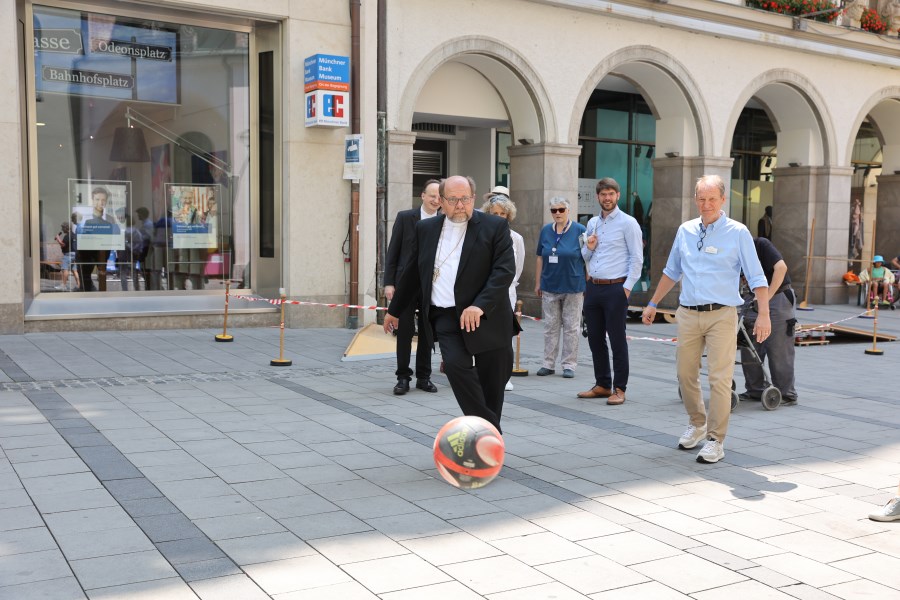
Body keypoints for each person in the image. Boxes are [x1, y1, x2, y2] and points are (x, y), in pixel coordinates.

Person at [642, 175, 770, 464]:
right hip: (687, 313)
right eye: (701, 198)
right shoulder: (685, 230)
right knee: (685, 375)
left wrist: (764, 314)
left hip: (722, 315)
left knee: (719, 379)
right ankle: (697, 423)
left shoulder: (738, 232)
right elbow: (671, 271)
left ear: (723, 200)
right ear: (695, 200)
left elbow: (757, 276)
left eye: (712, 198)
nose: (706, 204)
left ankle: (715, 439)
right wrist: (653, 303)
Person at [383, 175, 518, 433]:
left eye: (465, 199)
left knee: (494, 382)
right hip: (446, 315)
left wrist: (479, 305)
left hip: (489, 316)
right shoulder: (426, 230)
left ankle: (485, 439)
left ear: (473, 199)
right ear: (441, 201)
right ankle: (491, 433)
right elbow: (411, 273)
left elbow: (504, 271)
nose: (460, 205)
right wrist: (394, 310)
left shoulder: (494, 227)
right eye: (453, 199)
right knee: (456, 366)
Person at [577, 178, 643, 405]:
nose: (607, 198)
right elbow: (585, 256)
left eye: (611, 194)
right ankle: (603, 384)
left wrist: (626, 289)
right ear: (598, 197)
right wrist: (589, 247)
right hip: (593, 287)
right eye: (603, 194)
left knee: (617, 340)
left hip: (616, 287)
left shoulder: (628, 223)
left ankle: (619, 389)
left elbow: (637, 258)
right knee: (595, 338)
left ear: (618, 195)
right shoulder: (592, 223)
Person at [384, 179, 442, 395]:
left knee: (428, 331)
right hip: (405, 283)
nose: (436, 200)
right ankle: (402, 377)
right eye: (432, 196)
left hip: (431, 284)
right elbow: (393, 251)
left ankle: (424, 377)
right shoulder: (406, 217)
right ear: (423, 196)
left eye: (439, 196)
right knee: (405, 331)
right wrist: (389, 283)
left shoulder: (444, 220)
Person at [739, 237, 798, 405]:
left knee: (778, 348)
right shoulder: (733, 250)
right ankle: (755, 389)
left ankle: (786, 393)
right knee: (749, 344)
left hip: (777, 296)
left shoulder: (760, 244)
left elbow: (781, 268)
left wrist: (767, 297)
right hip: (753, 297)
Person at [535, 197, 587, 378]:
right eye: (554, 210)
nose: (557, 213)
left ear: (568, 210)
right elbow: (540, 257)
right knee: (550, 325)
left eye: (561, 210)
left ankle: (569, 365)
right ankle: (548, 363)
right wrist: (537, 282)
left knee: (572, 326)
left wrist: (588, 282)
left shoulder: (580, 230)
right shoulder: (545, 231)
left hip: (573, 284)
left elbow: (587, 256)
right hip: (550, 284)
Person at [482, 194, 525, 391]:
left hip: (506, 293)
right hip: (482, 292)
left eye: (502, 214)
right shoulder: (480, 235)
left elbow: (518, 268)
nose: (498, 217)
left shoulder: (516, 239)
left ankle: (504, 376)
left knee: (504, 336)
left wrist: (508, 287)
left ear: (508, 216)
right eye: (494, 213)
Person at [76, 186, 120, 292]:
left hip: (103, 253)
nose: (100, 202)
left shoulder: (110, 219)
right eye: (97, 199)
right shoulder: (85, 219)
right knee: (85, 277)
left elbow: (116, 235)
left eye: (103, 200)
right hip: (87, 253)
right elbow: (81, 236)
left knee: (102, 276)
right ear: (92, 200)